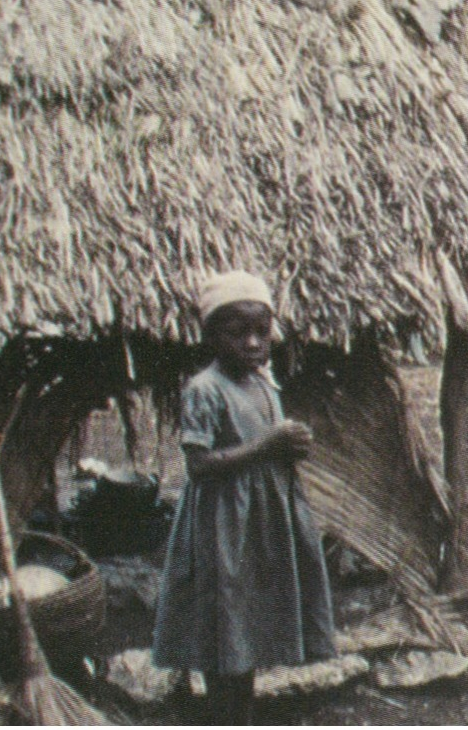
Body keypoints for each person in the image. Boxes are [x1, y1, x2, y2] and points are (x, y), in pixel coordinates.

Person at [152, 271, 336, 724]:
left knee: (246, 618)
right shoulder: (205, 389)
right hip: (223, 522)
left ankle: (242, 713)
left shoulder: (261, 382)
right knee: (224, 619)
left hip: (262, 518)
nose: (254, 343)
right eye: (239, 334)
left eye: (262, 333)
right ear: (212, 336)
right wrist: (269, 446)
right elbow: (199, 465)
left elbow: (268, 441)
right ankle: (225, 716)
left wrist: (292, 445)